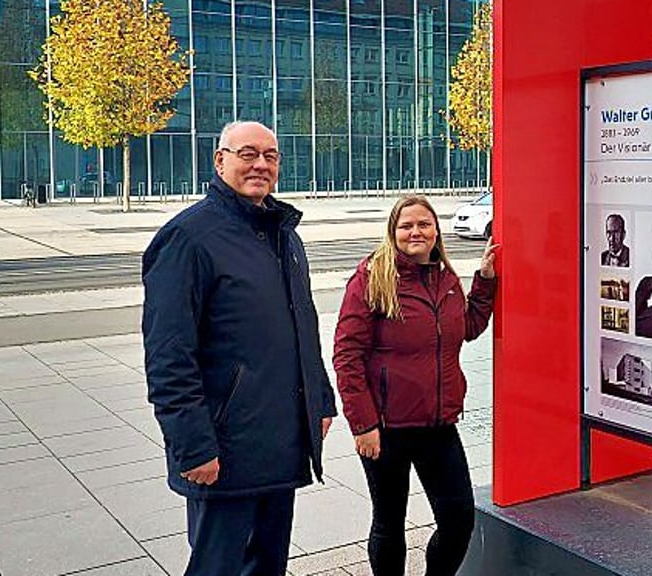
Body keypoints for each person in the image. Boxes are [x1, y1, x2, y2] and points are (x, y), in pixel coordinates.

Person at [142, 120, 336, 576]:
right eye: (248, 154)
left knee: (268, 565)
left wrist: (320, 400)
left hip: (278, 442)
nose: (260, 165)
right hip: (224, 448)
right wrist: (191, 446)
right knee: (219, 567)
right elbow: (169, 354)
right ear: (220, 160)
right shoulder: (189, 238)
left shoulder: (283, 234)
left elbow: (300, 325)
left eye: (270, 156)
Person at [333, 194, 498, 576]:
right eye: (406, 226)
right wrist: (363, 425)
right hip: (386, 430)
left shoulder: (445, 276)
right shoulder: (373, 277)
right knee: (390, 523)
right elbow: (346, 354)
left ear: (435, 230)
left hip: (439, 425)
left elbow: (467, 326)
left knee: (458, 521)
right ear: (393, 232)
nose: (416, 232)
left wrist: (485, 283)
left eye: (423, 224)